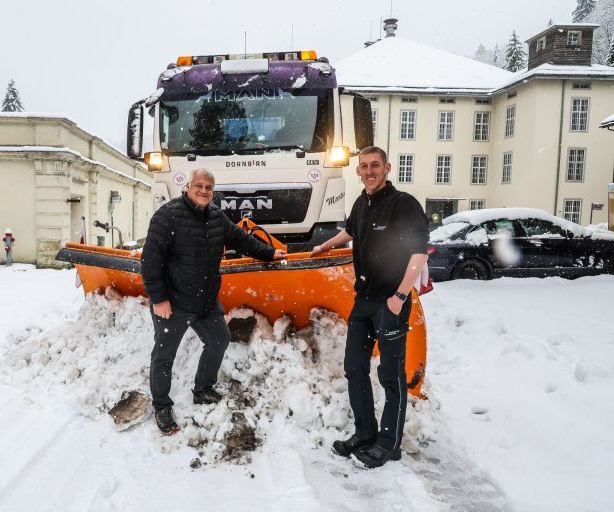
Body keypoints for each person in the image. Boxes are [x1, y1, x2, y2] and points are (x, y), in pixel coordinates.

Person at [141, 169, 287, 434]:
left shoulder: (216, 216)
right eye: (199, 185)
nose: (204, 191)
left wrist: (268, 252)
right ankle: (162, 406)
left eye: (209, 187)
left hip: (205, 302)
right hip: (173, 302)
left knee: (219, 339)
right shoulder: (168, 215)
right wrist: (159, 298)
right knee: (164, 356)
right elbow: (150, 261)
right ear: (188, 186)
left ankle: (203, 389)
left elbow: (241, 240)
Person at [311, 146, 429, 468]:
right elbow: (350, 231)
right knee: (355, 367)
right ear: (358, 171)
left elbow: (420, 253)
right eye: (363, 166)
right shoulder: (361, 203)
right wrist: (323, 246)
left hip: (391, 303)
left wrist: (400, 297)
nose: (369, 171)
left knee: (391, 375)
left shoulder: (403, 205)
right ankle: (365, 432)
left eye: (375, 165)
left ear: (387, 167)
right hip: (363, 302)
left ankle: (389, 444)